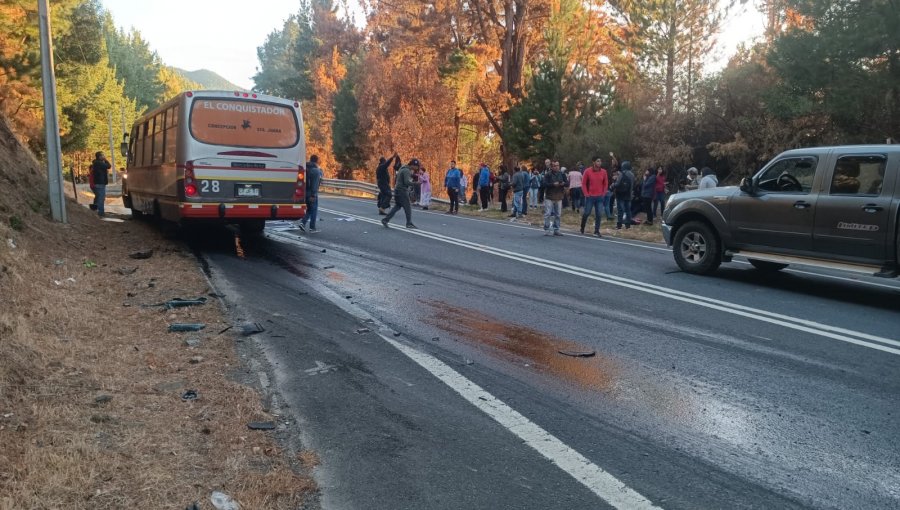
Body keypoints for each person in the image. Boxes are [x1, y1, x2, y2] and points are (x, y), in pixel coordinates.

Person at [382, 158, 420, 229]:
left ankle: (385, 220)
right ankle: (409, 223)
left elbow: (403, 179)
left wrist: (411, 176)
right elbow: (406, 182)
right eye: (417, 166)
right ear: (413, 165)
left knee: (397, 206)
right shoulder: (407, 171)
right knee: (408, 207)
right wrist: (415, 183)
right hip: (402, 191)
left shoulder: (403, 168)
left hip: (397, 190)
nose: (417, 168)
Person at [580, 157, 608, 237]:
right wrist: (586, 193)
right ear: (593, 162)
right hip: (590, 196)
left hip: (600, 197)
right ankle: (582, 227)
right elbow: (583, 183)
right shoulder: (587, 171)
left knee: (599, 214)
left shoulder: (604, 172)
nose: (599, 163)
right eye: (598, 161)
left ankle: (596, 230)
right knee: (587, 213)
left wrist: (604, 193)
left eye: (600, 161)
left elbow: (605, 183)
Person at [296, 155, 323, 232]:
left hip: (304, 192)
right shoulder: (316, 170)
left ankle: (303, 223)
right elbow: (315, 184)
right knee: (313, 210)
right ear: (317, 161)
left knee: (309, 209)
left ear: (310, 160)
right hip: (311, 193)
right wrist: (313, 195)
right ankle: (312, 227)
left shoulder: (305, 168)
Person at [542, 160, 567, 236]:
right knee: (548, 214)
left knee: (558, 214)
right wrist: (553, 184)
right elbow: (543, 184)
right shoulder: (548, 175)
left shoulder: (562, 174)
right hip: (549, 197)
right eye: (555, 166)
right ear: (551, 167)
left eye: (557, 165)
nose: (556, 167)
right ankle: (546, 229)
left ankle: (556, 229)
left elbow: (567, 182)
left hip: (559, 196)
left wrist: (563, 184)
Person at [614, 161, 635, 230]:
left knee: (620, 210)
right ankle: (628, 225)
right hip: (628, 194)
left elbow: (618, 184)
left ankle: (619, 225)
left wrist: (612, 185)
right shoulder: (632, 175)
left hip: (621, 194)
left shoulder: (622, 174)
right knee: (628, 210)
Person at [90, 152, 111, 217]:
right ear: (99, 157)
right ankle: (100, 213)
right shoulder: (98, 163)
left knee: (98, 198)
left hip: (99, 183)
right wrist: (106, 160)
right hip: (99, 183)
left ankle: (94, 211)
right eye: (103, 155)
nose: (104, 156)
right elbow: (109, 166)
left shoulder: (97, 163)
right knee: (101, 198)